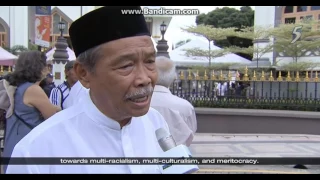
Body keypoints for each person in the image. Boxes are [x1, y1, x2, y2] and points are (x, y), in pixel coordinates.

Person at [6, 6, 170, 174]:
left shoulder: (156, 122)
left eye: (150, 61)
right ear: (84, 74)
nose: (144, 79)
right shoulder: (36, 152)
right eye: (126, 65)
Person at [2, 51, 61, 172]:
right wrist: (57, 108)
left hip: (13, 144)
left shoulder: (18, 87)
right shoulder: (33, 89)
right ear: (38, 68)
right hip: (28, 146)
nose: (47, 69)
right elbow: (53, 117)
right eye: (45, 65)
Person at [151, 56, 197, 147]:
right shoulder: (185, 107)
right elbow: (191, 134)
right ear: (174, 77)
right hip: (177, 157)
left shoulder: (136, 104)